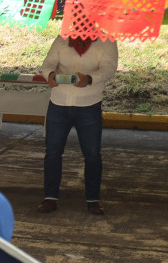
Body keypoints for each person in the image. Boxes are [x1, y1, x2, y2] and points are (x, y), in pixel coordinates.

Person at [38, 36, 118, 216]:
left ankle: (93, 200)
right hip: (59, 103)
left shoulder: (107, 41)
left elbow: (109, 69)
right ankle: (50, 198)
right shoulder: (61, 39)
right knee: (52, 153)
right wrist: (50, 75)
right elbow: (49, 62)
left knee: (92, 155)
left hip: (89, 105)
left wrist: (90, 78)